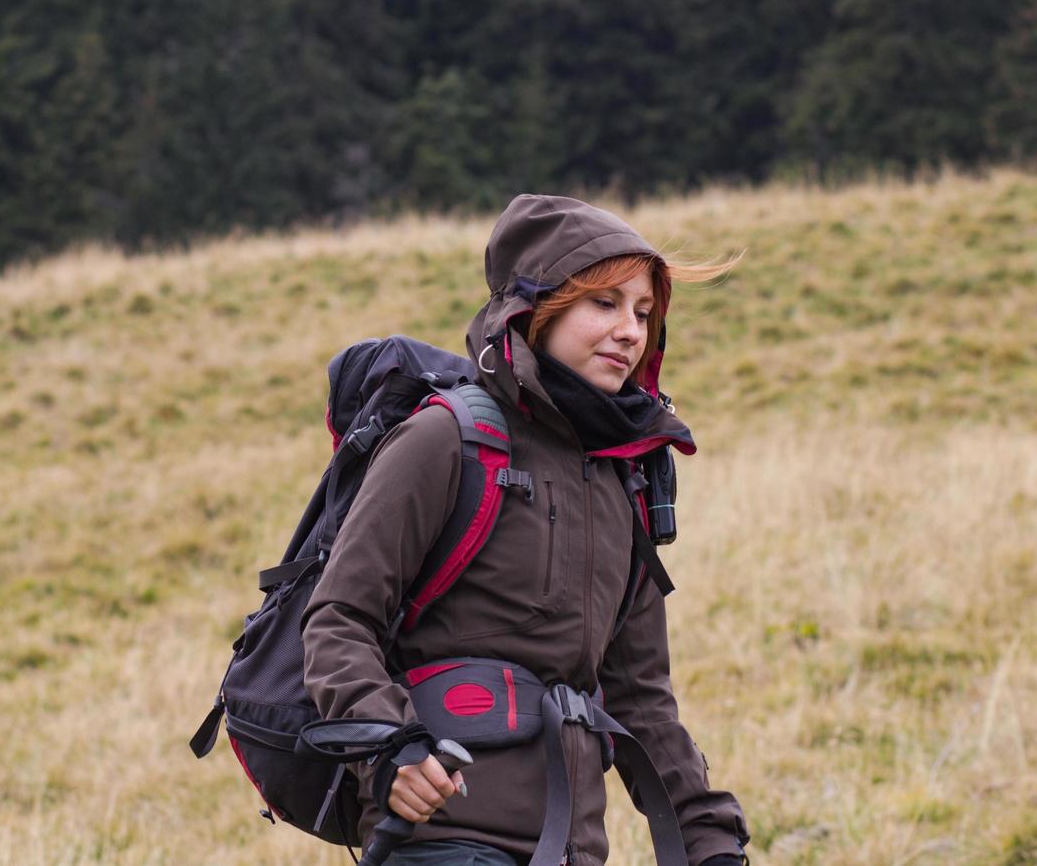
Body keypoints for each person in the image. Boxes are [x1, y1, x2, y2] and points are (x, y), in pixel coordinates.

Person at [301, 195, 750, 866]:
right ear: (537, 310)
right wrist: (389, 749)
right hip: (442, 840)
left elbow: (642, 700)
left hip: (572, 850)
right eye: (605, 303)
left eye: (645, 312)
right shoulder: (445, 440)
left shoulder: (622, 479)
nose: (631, 330)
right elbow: (338, 619)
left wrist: (708, 839)